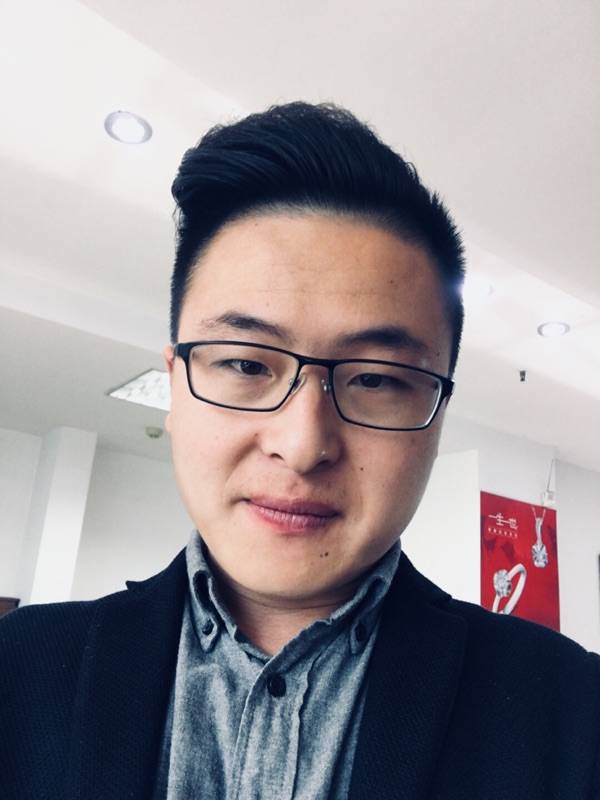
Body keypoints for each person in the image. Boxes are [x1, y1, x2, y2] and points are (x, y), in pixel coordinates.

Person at [1, 101, 598, 800]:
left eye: (376, 379)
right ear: (175, 386)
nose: (303, 444)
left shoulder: (571, 716)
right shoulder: (19, 673)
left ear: (437, 417)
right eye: (246, 364)